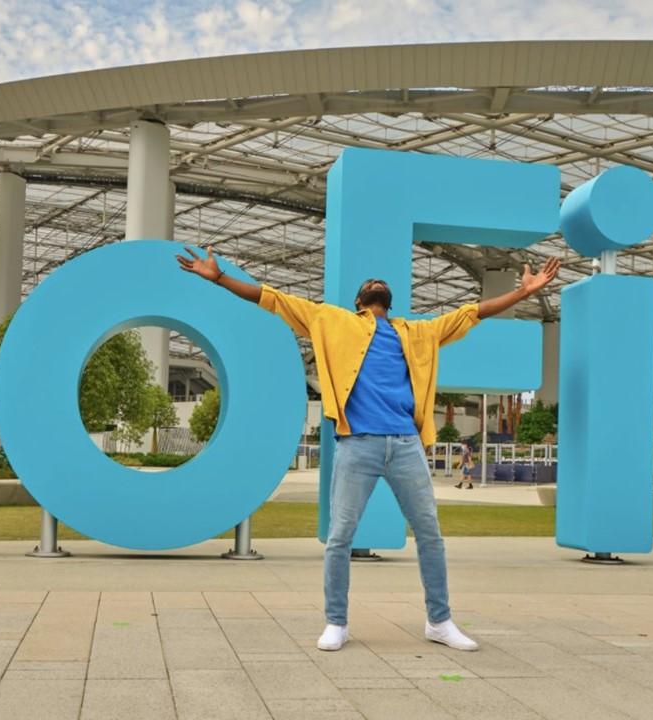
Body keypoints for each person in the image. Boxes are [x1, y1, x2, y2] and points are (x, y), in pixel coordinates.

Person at [176, 247, 559, 652]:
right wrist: (219, 279)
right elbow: (270, 298)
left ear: (387, 301)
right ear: (359, 301)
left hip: (407, 445)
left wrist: (523, 294)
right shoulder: (330, 320)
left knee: (430, 534)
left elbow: (472, 313)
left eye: (380, 283)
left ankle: (439, 621)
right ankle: (336, 622)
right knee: (341, 536)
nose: (376, 281)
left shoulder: (418, 333)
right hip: (358, 444)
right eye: (368, 284)